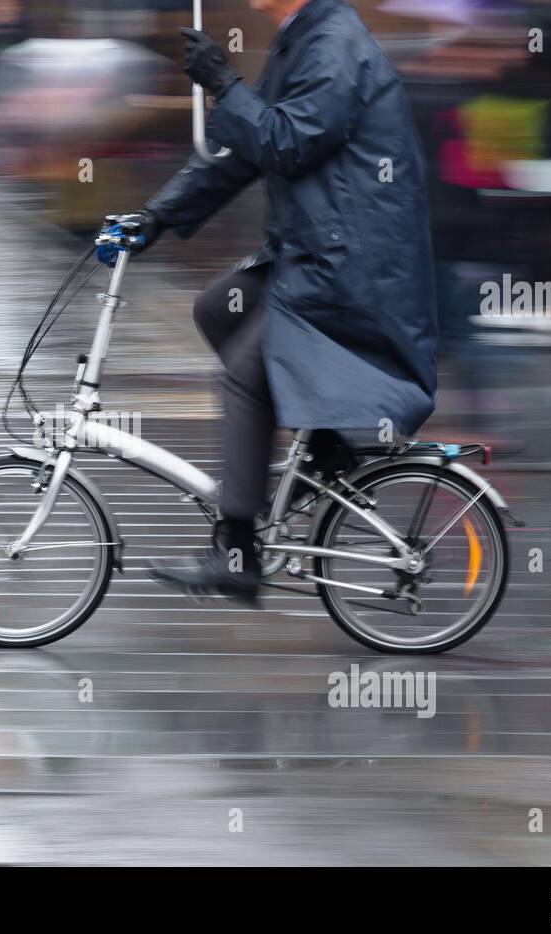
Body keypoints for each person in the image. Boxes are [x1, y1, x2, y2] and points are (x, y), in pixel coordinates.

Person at [108, 0, 437, 605]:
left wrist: (222, 83)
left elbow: (286, 143)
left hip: (349, 269)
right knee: (219, 309)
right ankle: (327, 448)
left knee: (244, 372)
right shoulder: (301, 40)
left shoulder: (336, 43)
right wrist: (155, 217)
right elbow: (242, 151)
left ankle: (237, 552)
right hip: (316, 255)